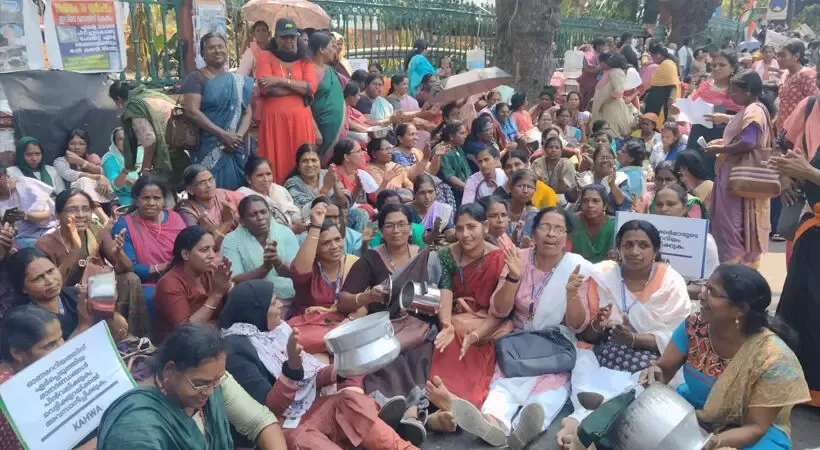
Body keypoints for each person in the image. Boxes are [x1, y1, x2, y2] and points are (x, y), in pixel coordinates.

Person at [449, 208, 594, 449]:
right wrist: (513, 278)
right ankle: (492, 424)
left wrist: (571, 295)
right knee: (504, 385)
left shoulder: (577, 267)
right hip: (518, 343)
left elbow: (578, 325)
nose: (551, 234)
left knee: (547, 392)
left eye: (559, 229)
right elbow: (499, 310)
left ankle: (525, 430)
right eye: (545, 227)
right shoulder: (519, 258)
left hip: (554, 346)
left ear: (566, 237)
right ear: (534, 232)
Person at [219, 280, 415, 450]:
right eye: (272, 303)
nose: (279, 305)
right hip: (278, 429)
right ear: (256, 311)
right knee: (301, 439)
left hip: (306, 411)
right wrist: (292, 369)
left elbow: (309, 376)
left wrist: (342, 371)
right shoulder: (236, 351)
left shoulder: (277, 332)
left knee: (348, 401)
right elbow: (268, 411)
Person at [640, 265, 810, 450]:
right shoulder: (695, 326)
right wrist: (655, 373)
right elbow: (664, 369)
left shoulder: (772, 357)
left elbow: (756, 427)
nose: (701, 295)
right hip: (693, 413)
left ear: (740, 309)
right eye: (705, 286)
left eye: (713, 292)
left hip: (749, 434)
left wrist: (709, 442)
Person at [557, 220, 692, 449]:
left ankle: (580, 422)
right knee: (583, 366)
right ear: (618, 247)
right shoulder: (602, 275)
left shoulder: (671, 283)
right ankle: (587, 422)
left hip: (650, 358)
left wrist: (633, 339)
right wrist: (598, 325)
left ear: (656, 250)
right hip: (604, 352)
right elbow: (586, 335)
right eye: (628, 244)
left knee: (642, 389)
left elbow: (678, 338)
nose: (635, 251)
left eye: (643, 245)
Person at [97, 323, 287, 450]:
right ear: (169, 370)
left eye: (217, 380)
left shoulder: (211, 380)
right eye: (200, 384)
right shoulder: (136, 427)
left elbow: (260, 422)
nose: (210, 392)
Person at [337, 203, 434, 440]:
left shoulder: (425, 256)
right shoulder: (371, 259)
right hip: (383, 327)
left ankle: (411, 413)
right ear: (381, 230)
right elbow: (344, 300)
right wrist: (368, 297)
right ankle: (396, 409)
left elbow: (438, 293)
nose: (396, 230)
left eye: (402, 224)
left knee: (420, 351)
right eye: (389, 225)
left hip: (419, 325)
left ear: (411, 228)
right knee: (388, 353)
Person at [428, 204, 513, 413]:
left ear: (485, 227)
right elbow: (445, 291)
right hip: (456, 319)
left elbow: (500, 310)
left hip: (488, 323)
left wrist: (476, 334)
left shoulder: (500, 257)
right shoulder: (447, 254)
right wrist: (446, 324)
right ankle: (448, 403)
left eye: (471, 227)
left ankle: (463, 405)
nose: (465, 234)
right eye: (459, 228)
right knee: (447, 340)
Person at [36, 189, 150, 337]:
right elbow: (55, 287)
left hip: (99, 290)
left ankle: (131, 336)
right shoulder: (46, 244)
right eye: (73, 209)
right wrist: (74, 250)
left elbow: (128, 268)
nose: (81, 215)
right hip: (69, 299)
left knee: (130, 279)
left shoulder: (96, 232)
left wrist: (118, 252)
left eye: (86, 209)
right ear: (58, 214)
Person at [0, 305, 98, 450]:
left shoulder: (37, 369)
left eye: (61, 338)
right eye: (50, 345)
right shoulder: (10, 400)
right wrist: (105, 435)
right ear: (17, 353)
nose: (62, 348)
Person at [706, 71, 772, 267]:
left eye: (734, 91)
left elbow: (748, 143)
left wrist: (721, 149)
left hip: (737, 176)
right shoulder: (752, 109)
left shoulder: (754, 111)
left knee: (732, 223)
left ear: (748, 91)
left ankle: (734, 267)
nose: (731, 95)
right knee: (735, 221)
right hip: (735, 173)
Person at [182, 33, 254, 191]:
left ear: (226, 50)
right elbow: (192, 111)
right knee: (208, 189)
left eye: (220, 46)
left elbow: (247, 112)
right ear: (203, 54)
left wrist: (237, 137)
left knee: (238, 193)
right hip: (208, 145)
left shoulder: (237, 80)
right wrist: (223, 135)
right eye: (211, 48)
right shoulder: (196, 78)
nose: (217, 50)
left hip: (235, 146)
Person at [286, 202, 360, 352]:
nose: (334, 246)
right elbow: (298, 272)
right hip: (311, 329)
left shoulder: (353, 264)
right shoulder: (308, 267)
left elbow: (363, 305)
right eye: (326, 243)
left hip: (347, 327)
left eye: (338, 239)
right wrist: (315, 227)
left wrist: (343, 326)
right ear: (316, 248)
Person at [111, 175, 186, 315]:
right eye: (146, 198)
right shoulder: (124, 225)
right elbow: (131, 268)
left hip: (180, 275)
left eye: (157, 198)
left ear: (163, 200)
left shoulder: (175, 218)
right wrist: (162, 267)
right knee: (153, 297)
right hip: (147, 283)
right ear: (136, 199)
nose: (151, 203)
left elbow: (188, 248)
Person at [256, 18, 317, 183]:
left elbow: (311, 88)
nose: (289, 40)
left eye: (292, 36)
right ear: (276, 38)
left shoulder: (305, 59)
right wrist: (298, 90)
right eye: (284, 37)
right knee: (278, 158)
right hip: (275, 121)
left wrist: (279, 80)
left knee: (303, 157)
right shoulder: (265, 56)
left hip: (301, 121)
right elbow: (267, 89)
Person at [154, 226, 233, 342]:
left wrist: (228, 285)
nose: (212, 255)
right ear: (185, 254)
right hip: (185, 345)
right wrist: (216, 294)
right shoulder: (170, 283)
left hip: (216, 335)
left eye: (213, 249)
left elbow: (234, 307)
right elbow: (186, 331)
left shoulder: (211, 273)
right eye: (205, 250)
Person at [7, 248, 98, 341]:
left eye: (51, 271)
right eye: (38, 278)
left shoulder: (77, 295)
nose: (50, 281)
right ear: (23, 288)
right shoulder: (24, 322)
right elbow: (56, 350)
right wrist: (83, 325)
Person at [221, 195, 298, 302]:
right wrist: (264, 268)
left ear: (270, 213)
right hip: (255, 300)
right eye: (253, 215)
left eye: (263, 212)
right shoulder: (231, 240)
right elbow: (234, 280)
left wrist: (277, 261)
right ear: (242, 220)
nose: (260, 217)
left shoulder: (284, 232)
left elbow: (298, 273)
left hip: (293, 296)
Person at [109, 81, 184, 185]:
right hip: (185, 141)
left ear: (119, 99)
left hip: (170, 152)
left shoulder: (134, 106)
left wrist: (145, 170)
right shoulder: (150, 95)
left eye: (115, 102)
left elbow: (150, 140)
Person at [687, 49, 741, 159]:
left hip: (721, 139)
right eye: (714, 65)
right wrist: (679, 109)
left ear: (732, 68)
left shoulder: (738, 91)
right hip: (698, 134)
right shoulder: (705, 85)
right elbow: (692, 105)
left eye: (722, 65)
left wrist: (725, 118)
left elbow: (746, 117)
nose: (716, 68)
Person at [52, 129, 114, 220]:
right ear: (67, 145)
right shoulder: (60, 161)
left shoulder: (92, 158)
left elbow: (102, 172)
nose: (77, 147)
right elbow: (70, 175)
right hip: (72, 197)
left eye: (82, 144)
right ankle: (104, 219)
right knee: (84, 181)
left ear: (87, 145)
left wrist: (81, 162)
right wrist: (98, 177)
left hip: (101, 196)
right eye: (72, 143)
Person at [177, 165, 244, 244]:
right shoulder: (188, 211)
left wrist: (237, 216)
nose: (209, 185)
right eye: (202, 182)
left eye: (210, 179)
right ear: (190, 190)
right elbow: (199, 245)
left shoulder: (223, 195)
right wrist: (227, 221)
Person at [0, 163, 57, 247]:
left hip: (45, 229)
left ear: (6, 175)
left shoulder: (25, 185)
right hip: (17, 239)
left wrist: (25, 215)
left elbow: (46, 216)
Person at [309, 32, 346, 161]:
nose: (335, 51)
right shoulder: (308, 70)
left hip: (338, 127)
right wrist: (315, 130)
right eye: (332, 46)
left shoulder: (330, 70)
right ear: (322, 49)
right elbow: (304, 104)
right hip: (320, 127)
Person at [239, 157, 302, 230]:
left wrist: (297, 221)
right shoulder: (243, 197)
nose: (266, 179)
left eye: (268, 174)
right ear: (248, 179)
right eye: (260, 175)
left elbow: (290, 208)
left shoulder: (278, 189)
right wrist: (291, 230)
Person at [774, 39, 819, 134]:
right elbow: (783, 103)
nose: (778, 59)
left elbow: (816, 105)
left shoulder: (807, 75)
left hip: (799, 132)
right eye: (778, 55)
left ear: (796, 56)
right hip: (783, 129)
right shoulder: (785, 74)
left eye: (783, 55)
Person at [637, 161, 707, 219]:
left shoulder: (691, 202)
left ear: (679, 180)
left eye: (668, 179)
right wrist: (641, 216)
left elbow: (694, 228)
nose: (664, 183)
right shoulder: (647, 198)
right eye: (659, 179)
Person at [285, 144, 339, 212]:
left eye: (314, 160)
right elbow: (304, 210)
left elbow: (344, 203)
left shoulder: (326, 174)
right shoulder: (293, 184)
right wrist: (325, 189)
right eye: (305, 161)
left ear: (319, 163)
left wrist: (335, 184)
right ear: (298, 166)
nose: (310, 165)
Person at [590, 53, 634, 138]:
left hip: (611, 109)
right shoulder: (608, 72)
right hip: (605, 110)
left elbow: (619, 90)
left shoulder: (616, 72)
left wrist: (605, 103)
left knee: (611, 133)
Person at [570, 184, 616, 263]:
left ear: (605, 205)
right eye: (585, 201)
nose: (590, 205)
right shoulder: (572, 222)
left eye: (595, 201)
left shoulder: (615, 225)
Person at [643, 43, 681, 129]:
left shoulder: (668, 64)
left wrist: (671, 99)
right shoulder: (665, 63)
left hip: (662, 101)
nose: (652, 59)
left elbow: (673, 85)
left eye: (652, 56)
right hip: (657, 99)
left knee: (655, 124)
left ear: (658, 55)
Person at [408, 174, 455, 242]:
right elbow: (416, 240)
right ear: (414, 194)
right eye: (422, 193)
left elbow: (450, 234)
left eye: (430, 192)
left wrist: (458, 233)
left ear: (435, 192)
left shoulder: (440, 209)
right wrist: (434, 233)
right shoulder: (406, 211)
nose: (427, 197)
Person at [366, 137, 413, 202]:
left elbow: (408, 184)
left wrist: (409, 194)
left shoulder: (394, 166)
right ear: (374, 153)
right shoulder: (369, 170)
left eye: (390, 148)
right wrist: (386, 181)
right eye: (387, 149)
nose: (390, 152)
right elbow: (379, 195)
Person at [101, 128, 138, 206]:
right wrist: (125, 176)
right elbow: (115, 186)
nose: (125, 142)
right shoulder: (109, 159)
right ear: (115, 142)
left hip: (145, 193)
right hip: (123, 196)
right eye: (121, 139)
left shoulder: (140, 153)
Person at [436, 122, 471, 204]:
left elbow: (467, 170)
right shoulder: (441, 150)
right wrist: (467, 187)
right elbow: (449, 176)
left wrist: (470, 184)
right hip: (451, 193)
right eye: (462, 133)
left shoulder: (458, 148)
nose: (465, 136)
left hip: (464, 189)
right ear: (451, 136)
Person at [504, 170, 539, 247]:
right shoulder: (500, 209)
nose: (525, 191)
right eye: (521, 186)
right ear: (511, 187)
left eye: (530, 187)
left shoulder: (536, 215)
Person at [577, 38, 606, 110]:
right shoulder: (589, 54)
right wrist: (600, 68)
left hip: (596, 82)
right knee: (586, 100)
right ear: (598, 46)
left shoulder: (600, 55)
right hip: (588, 82)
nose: (604, 48)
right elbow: (587, 69)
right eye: (603, 46)